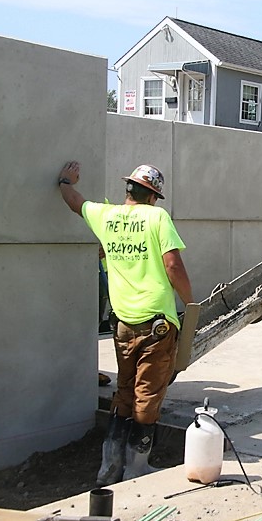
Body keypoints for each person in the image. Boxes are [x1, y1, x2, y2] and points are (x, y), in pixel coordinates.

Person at [58, 161, 194, 485]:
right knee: (147, 393)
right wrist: (190, 301)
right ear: (153, 197)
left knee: (124, 390)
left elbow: (75, 201)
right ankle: (137, 466)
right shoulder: (157, 217)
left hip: (122, 323)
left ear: (128, 190)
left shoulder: (106, 217)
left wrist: (65, 180)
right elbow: (172, 265)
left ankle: (109, 465)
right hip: (156, 322)